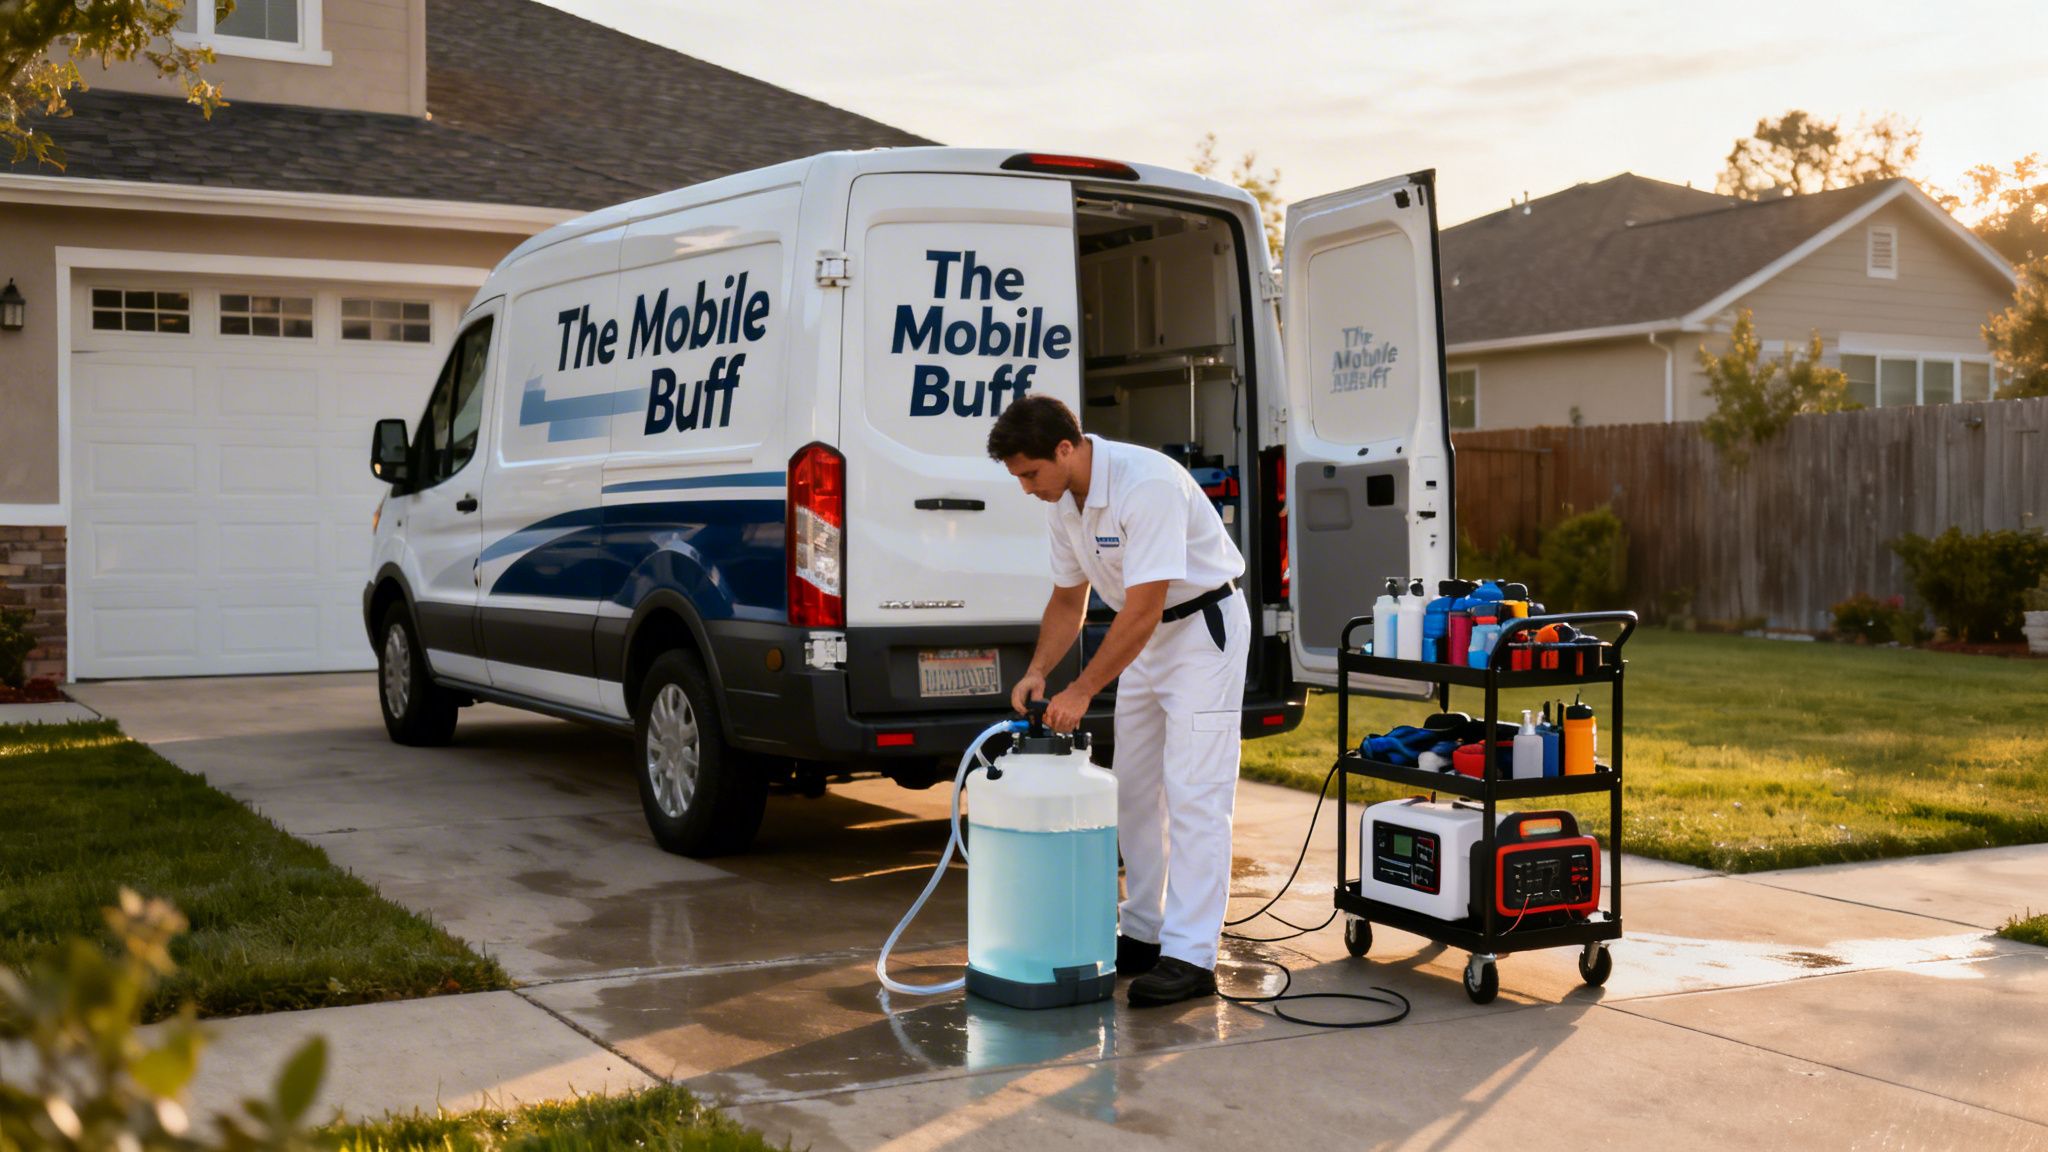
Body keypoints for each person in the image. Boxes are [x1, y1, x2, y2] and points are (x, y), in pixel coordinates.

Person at [986, 394, 1249, 1007]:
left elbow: (1145, 605)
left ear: (1065, 449)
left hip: (1200, 635)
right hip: (1148, 642)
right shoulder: (1064, 502)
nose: (1027, 489)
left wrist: (1081, 690)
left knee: (1194, 792)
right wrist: (1040, 671)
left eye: (1030, 474)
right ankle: (1144, 931)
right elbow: (1067, 599)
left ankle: (1191, 954)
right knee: (1130, 789)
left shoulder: (1146, 484)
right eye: (1017, 478)